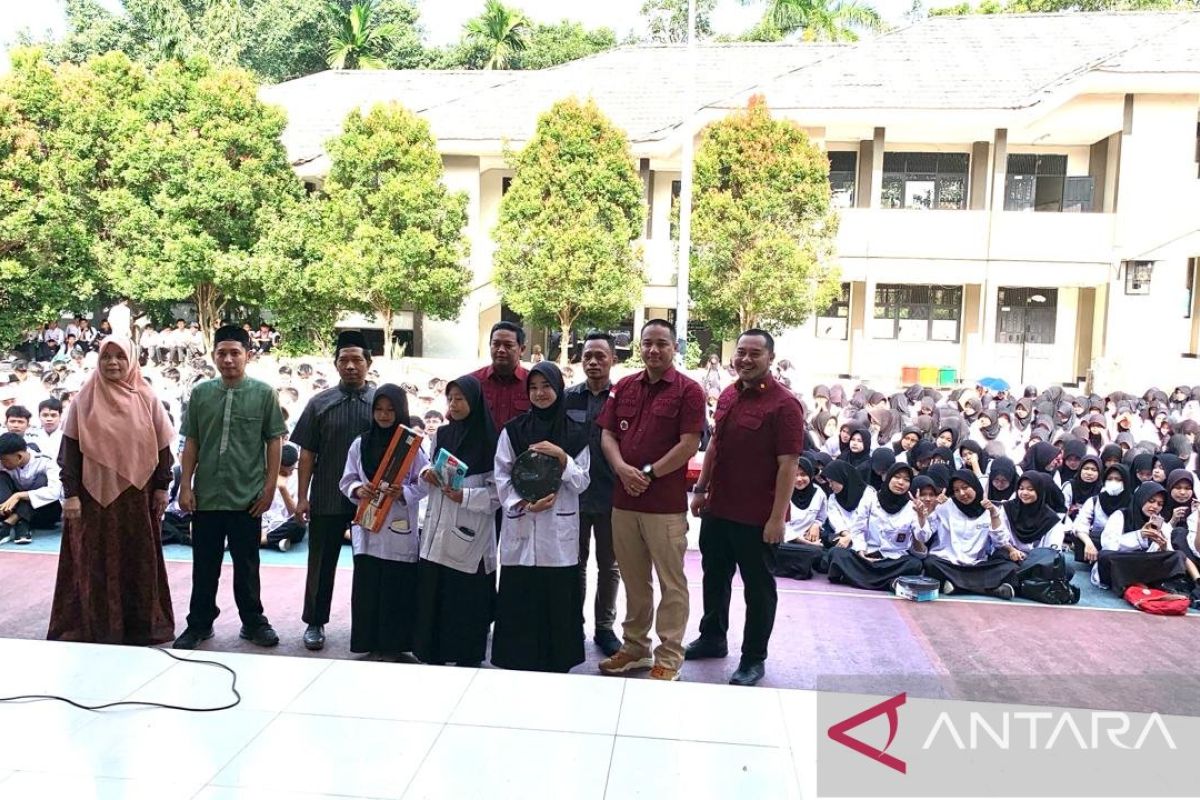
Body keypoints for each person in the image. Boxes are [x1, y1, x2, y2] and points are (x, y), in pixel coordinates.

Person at [687, 329, 804, 687]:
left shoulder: (785, 405)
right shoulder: (727, 395)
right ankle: (713, 637)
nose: (746, 359)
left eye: (755, 353)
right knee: (714, 576)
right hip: (719, 508)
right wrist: (701, 489)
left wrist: (776, 518)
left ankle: (754, 658)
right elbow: (716, 448)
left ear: (770, 358)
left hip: (758, 516)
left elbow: (789, 464)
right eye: (741, 352)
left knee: (758, 588)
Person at [47, 337, 176, 645]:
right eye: (107, 356)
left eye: (120, 356)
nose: (113, 362)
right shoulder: (83, 400)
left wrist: (161, 487)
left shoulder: (147, 398)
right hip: (92, 498)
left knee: (137, 560)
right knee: (93, 561)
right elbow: (70, 452)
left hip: (137, 496)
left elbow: (163, 449)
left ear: (132, 360)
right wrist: (72, 494)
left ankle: (138, 627)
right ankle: (96, 626)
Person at [597, 319, 704, 682]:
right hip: (624, 502)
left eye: (662, 343)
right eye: (647, 343)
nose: (653, 350)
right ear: (639, 347)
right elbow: (608, 435)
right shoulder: (624, 387)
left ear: (674, 348)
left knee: (672, 583)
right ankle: (635, 649)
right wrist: (622, 469)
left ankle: (669, 657)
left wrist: (648, 473)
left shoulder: (689, 391)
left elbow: (689, 443)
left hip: (664, 506)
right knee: (633, 579)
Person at [172, 325, 286, 650]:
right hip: (206, 495)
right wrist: (185, 486)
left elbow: (273, 442)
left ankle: (253, 622)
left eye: (235, 352)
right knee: (204, 565)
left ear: (248, 355)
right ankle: (199, 624)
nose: (228, 359)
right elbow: (191, 442)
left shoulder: (264, 394)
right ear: (213, 356)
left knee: (247, 565)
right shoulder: (201, 394)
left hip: (247, 497)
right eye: (222, 353)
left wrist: (268, 490)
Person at [492, 363, 591, 673]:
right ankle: (516, 658)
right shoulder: (513, 430)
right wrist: (524, 504)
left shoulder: (576, 433)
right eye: (533, 387)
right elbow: (502, 476)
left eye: (546, 386)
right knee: (520, 592)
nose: (540, 393)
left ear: (558, 388)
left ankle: (558, 659)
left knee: (557, 596)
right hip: (523, 523)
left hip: (558, 529)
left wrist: (563, 459)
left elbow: (582, 481)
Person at [291, 330, 375, 651]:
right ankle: (315, 622)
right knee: (321, 563)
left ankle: (368, 626)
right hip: (326, 496)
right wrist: (302, 497)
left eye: (357, 360)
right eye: (344, 360)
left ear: (369, 362)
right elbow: (307, 453)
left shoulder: (382, 403)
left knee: (369, 564)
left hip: (369, 500)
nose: (351, 366)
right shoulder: (319, 403)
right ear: (336, 364)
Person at [415, 376, 500, 667]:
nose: (454, 404)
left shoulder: (492, 440)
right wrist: (426, 473)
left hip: (470, 535)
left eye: (460, 398)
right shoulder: (443, 434)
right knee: (435, 594)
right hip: (437, 528)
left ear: (475, 400)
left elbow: (497, 495)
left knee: (464, 600)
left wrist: (464, 496)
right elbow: (429, 466)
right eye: (450, 398)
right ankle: (433, 652)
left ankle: (465, 655)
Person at [340, 384, 429, 660]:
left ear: (401, 410)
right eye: (379, 409)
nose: (384, 415)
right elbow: (347, 479)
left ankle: (394, 643)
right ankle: (369, 641)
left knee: (396, 588)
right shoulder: (361, 443)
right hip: (368, 523)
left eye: (391, 410)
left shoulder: (410, 445)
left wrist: (404, 492)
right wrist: (358, 490)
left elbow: (425, 481)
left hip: (399, 526)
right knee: (369, 585)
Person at [564, 332, 622, 657]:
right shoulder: (568, 397)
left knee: (610, 566)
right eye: (588, 356)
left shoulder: (624, 398)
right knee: (576, 563)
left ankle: (605, 628)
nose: (594, 361)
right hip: (574, 496)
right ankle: (573, 623)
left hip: (613, 495)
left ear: (612, 359)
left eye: (601, 356)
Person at [826, 462, 930, 591]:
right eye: (897, 477)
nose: (901, 482)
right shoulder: (871, 499)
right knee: (836, 553)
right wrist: (861, 550)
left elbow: (923, 537)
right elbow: (858, 528)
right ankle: (889, 582)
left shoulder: (912, 507)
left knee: (915, 564)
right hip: (868, 555)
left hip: (894, 559)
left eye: (906, 480)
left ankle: (858, 579)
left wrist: (921, 518)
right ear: (889, 477)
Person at [924, 471, 1020, 599]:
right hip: (948, 563)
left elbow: (1000, 542)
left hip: (977, 564)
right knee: (930, 563)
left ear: (975, 486)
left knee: (1010, 568)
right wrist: (932, 508)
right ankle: (990, 589)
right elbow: (926, 533)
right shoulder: (945, 507)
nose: (962, 494)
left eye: (965, 487)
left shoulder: (989, 509)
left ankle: (956, 586)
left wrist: (993, 515)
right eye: (956, 490)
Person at [1097, 481, 1190, 596]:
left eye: (1160, 504)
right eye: (1151, 501)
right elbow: (1109, 545)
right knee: (1104, 556)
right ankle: (1136, 583)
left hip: (1146, 564)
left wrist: (1163, 547)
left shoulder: (1162, 525)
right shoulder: (1121, 515)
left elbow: (1168, 554)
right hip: (1125, 562)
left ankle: (1141, 583)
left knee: (1178, 555)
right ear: (1141, 498)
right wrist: (1140, 535)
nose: (1155, 507)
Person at [1003, 472, 1077, 602]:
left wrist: (1031, 558)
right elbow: (1000, 537)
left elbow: (1052, 551)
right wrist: (1012, 550)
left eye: (1030, 489)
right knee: (998, 560)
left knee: (1067, 569)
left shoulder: (1051, 519)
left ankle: (1016, 583)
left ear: (1040, 491)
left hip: (1036, 563)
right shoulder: (1007, 508)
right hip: (1010, 556)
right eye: (1021, 488)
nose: (1024, 493)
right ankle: (1030, 585)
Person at [0, 432, 63, 545]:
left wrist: (19, 495)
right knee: (1, 477)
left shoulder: (45, 461)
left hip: (45, 512)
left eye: (4, 460)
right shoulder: (4, 463)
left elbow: (54, 492)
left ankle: (10, 523)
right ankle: (19, 524)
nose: (1, 463)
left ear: (19, 457)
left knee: (42, 480)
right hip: (10, 509)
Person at [773, 456, 829, 580]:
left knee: (819, 552)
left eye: (803, 475)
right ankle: (800, 566)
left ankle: (796, 565)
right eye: (795, 475)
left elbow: (822, 516)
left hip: (807, 543)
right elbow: (781, 523)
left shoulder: (819, 494)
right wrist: (803, 541)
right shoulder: (782, 492)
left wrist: (816, 525)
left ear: (810, 474)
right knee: (769, 549)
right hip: (784, 541)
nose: (799, 479)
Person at [471, 321, 531, 432]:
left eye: (508, 345)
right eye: (496, 344)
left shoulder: (533, 384)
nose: (501, 350)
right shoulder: (473, 382)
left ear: (522, 350)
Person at [260, 444, 306, 551]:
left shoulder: (299, 478)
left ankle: (262, 541)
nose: (286, 473)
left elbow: (296, 514)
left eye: (289, 470)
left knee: (299, 525)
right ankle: (275, 541)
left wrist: (282, 489)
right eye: (281, 471)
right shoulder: (265, 474)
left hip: (285, 524)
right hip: (263, 523)